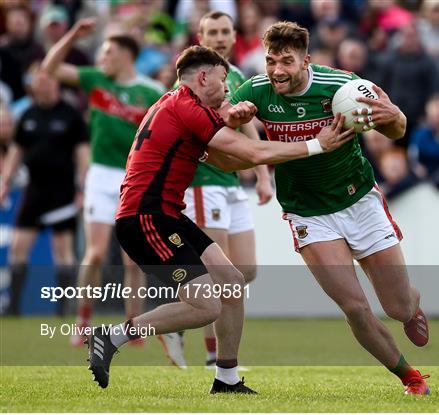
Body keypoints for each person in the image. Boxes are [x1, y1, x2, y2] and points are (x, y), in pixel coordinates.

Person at [85, 44, 354, 393]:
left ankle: (226, 377)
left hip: (166, 215)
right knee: (207, 305)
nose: (228, 88)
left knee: (232, 280)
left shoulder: (179, 105)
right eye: (224, 79)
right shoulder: (186, 107)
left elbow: (231, 162)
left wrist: (239, 127)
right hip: (146, 219)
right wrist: (315, 145)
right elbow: (253, 152)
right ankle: (112, 336)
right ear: (203, 76)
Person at [229, 21, 431, 395]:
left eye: (286, 62)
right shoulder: (256, 89)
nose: (277, 71)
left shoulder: (342, 85)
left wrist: (395, 117)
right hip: (307, 212)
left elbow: (397, 129)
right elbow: (223, 125)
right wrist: (236, 117)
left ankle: (411, 306)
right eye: (271, 61)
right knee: (354, 307)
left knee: (398, 305)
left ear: (306, 60)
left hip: (359, 201)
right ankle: (410, 377)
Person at [157, 11, 274, 370]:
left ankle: (178, 320)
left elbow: (245, 124)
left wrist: (263, 174)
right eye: (213, 32)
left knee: (246, 270)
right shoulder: (193, 84)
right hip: (205, 180)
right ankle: (213, 357)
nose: (221, 37)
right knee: (221, 278)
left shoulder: (234, 75)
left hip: (232, 183)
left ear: (234, 34)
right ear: (200, 35)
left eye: (226, 31)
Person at [41, 18, 165, 346]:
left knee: (132, 258)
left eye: (108, 52)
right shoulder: (95, 81)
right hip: (100, 174)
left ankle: (132, 325)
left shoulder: (151, 91)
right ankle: (82, 321)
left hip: (135, 177)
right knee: (94, 253)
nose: (102, 58)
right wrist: (71, 36)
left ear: (126, 54)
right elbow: (49, 68)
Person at [0, 68, 89, 316]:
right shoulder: (28, 114)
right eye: (39, 82)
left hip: (62, 192)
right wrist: (5, 184)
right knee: (18, 247)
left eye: (48, 81)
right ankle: (14, 308)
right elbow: (16, 153)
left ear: (56, 84)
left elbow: (82, 156)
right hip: (34, 190)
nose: (44, 86)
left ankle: (63, 308)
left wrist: (82, 187)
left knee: (63, 251)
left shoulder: (70, 115)